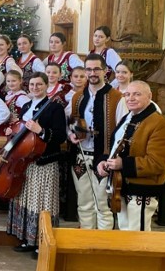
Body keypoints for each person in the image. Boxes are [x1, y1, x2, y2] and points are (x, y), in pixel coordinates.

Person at [97, 81, 165, 231]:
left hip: (142, 190)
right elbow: (115, 147)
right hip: (121, 186)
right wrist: (104, 162)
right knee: (126, 234)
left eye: (137, 94)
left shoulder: (160, 123)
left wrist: (123, 164)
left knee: (138, 236)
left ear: (149, 96)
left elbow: (158, 163)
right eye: (127, 94)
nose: (130, 98)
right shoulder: (128, 117)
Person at [6, 72, 66, 260]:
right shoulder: (25, 106)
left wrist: (40, 130)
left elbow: (60, 136)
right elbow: (22, 133)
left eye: (39, 84)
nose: (35, 88)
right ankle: (27, 239)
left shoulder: (55, 108)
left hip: (44, 162)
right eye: (31, 85)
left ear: (47, 86)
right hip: (25, 163)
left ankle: (42, 242)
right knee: (24, 200)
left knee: (42, 202)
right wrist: (12, 130)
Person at [66, 54, 127, 230]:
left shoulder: (116, 97)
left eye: (96, 69)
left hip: (104, 158)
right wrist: (71, 134)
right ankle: (86, 242)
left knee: (103, 205)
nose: (92, 73)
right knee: (84, 203)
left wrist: (113, 157)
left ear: (105, 71)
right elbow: (70, 121)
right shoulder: (78, 97)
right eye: (89, 69)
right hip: (81, 156)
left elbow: (123, 130)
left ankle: (103, 246)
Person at [0, 34, 23, 99]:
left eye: (1, 45)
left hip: (2, 96)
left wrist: (8, 86)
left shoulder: (9, 61)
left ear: (8, 46)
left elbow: (19, 74)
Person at [3, 70, 30, 135]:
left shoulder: (21, 97)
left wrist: (19, 119)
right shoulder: (9, 96)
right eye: (8, 81)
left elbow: (30, 111)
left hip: (16, 130)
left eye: (14, 81)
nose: (11, 83)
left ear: (20, 81)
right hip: (7, 129)